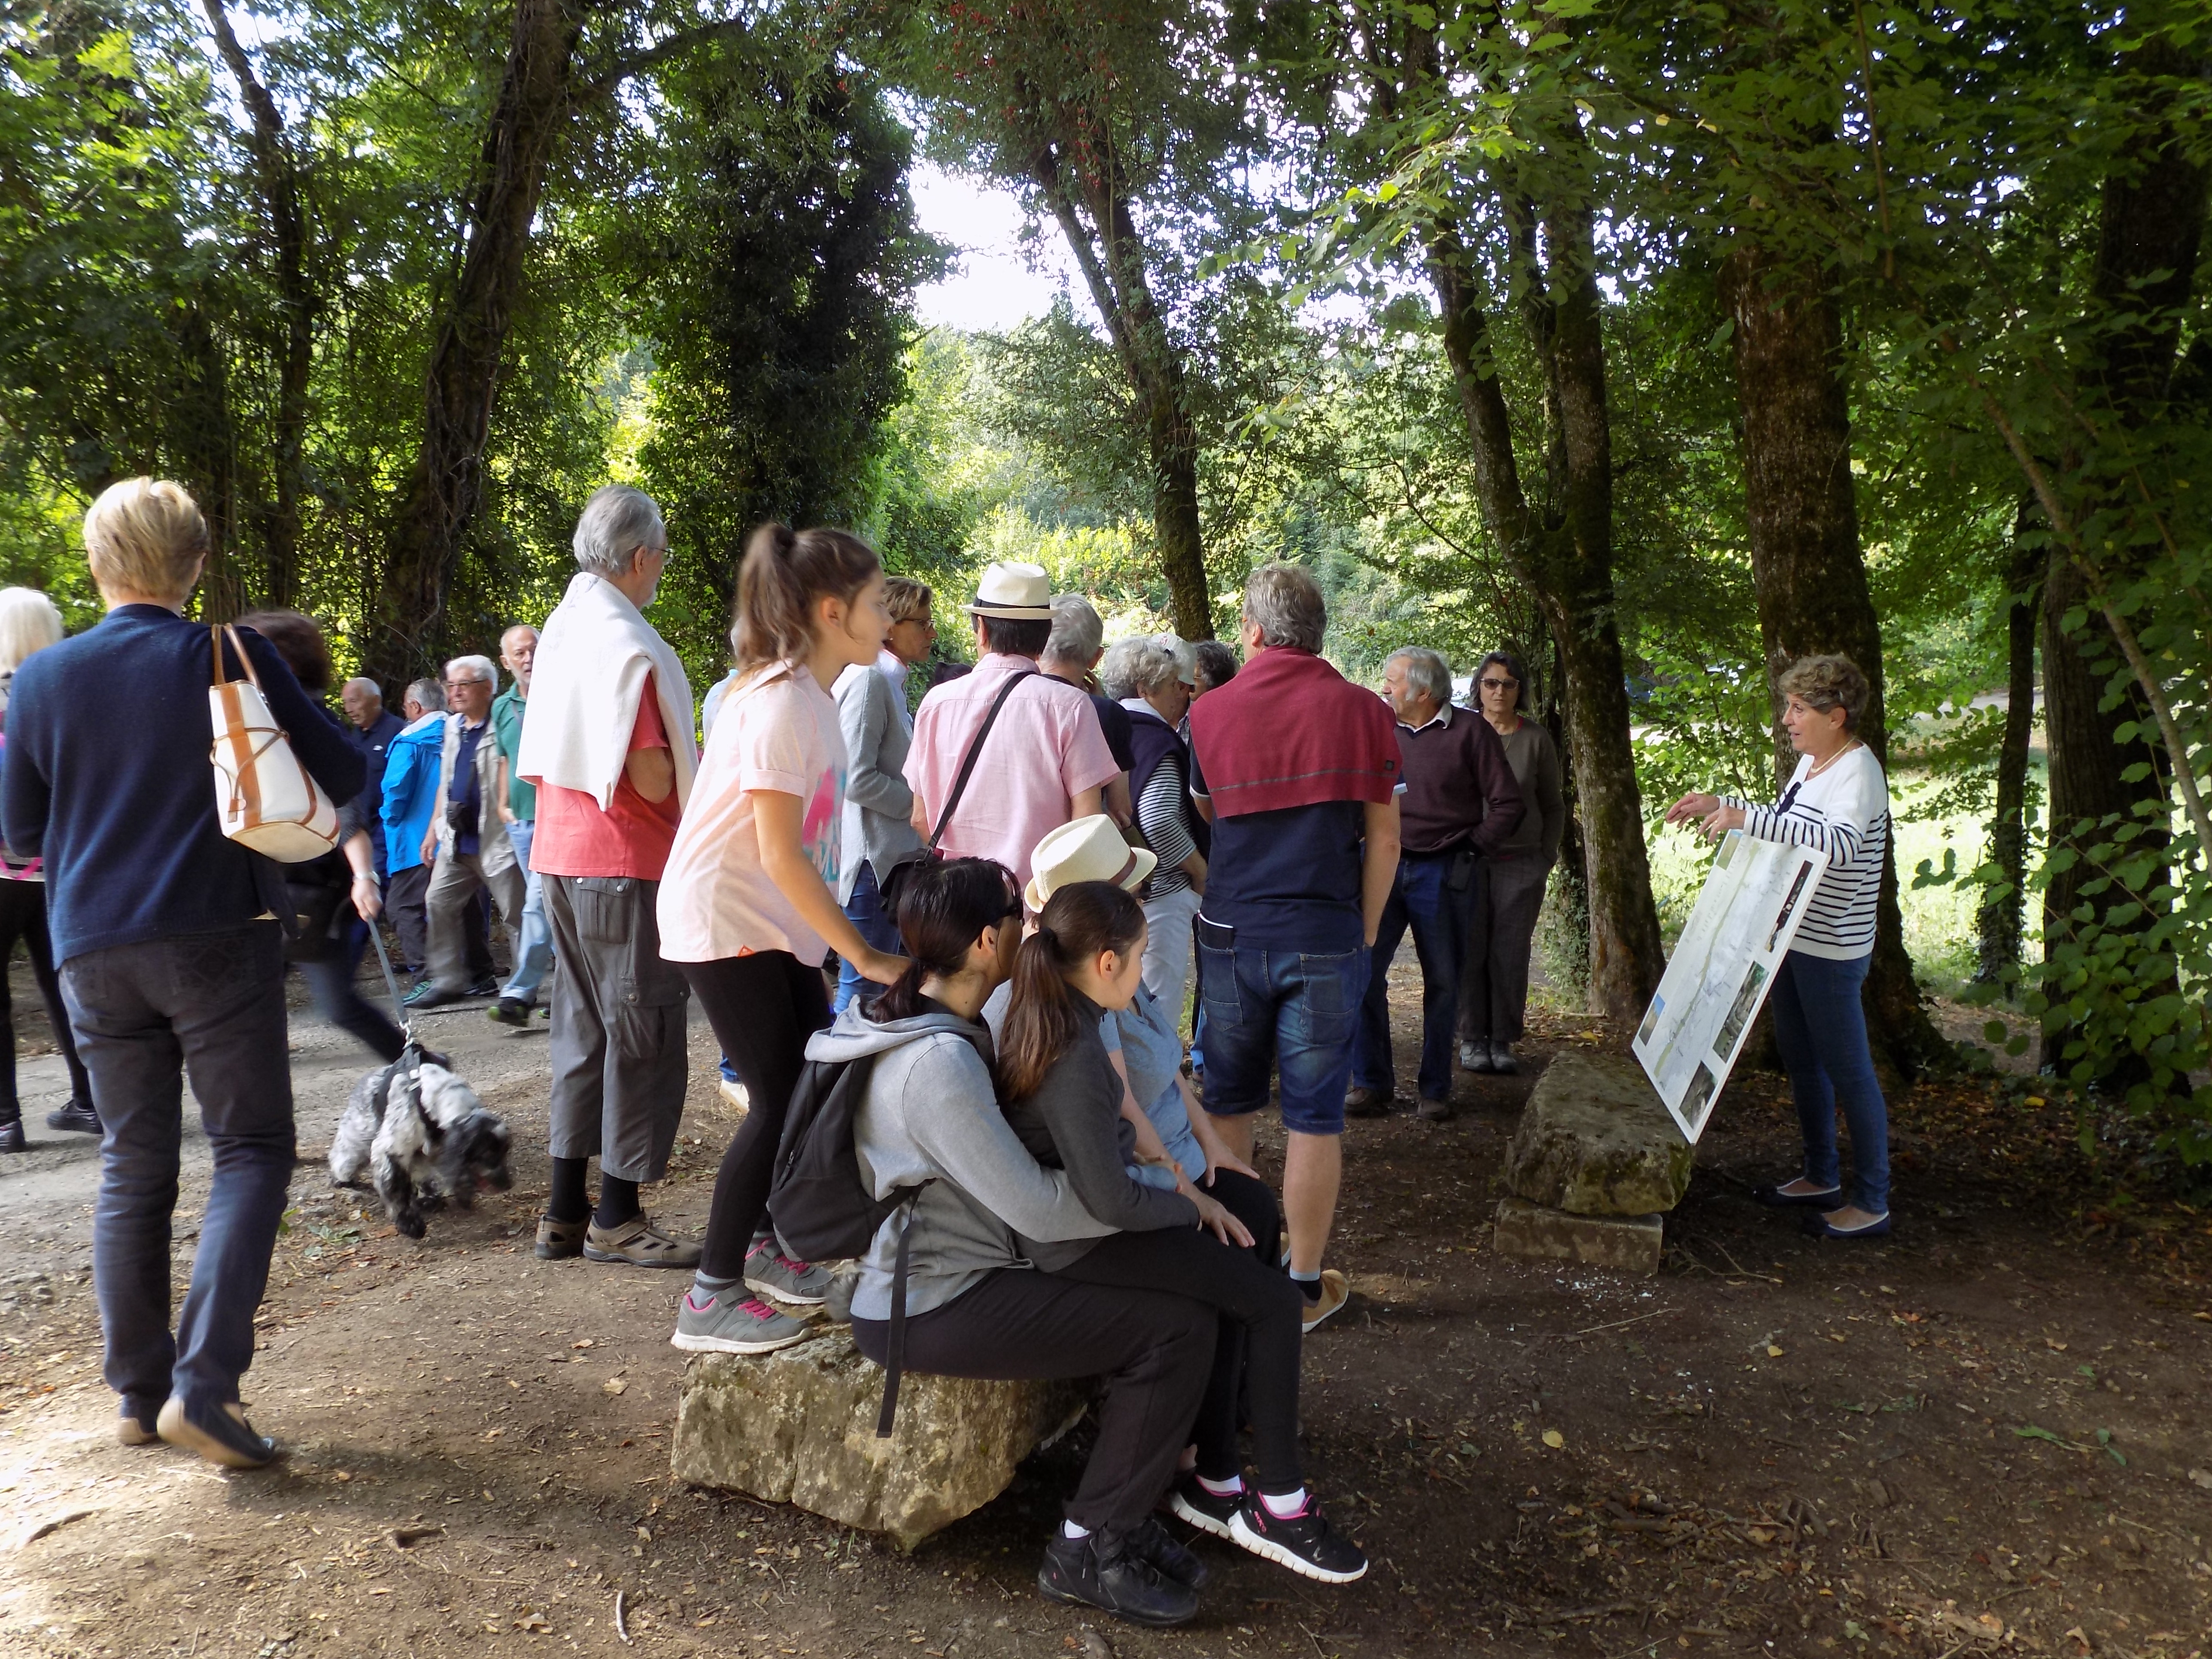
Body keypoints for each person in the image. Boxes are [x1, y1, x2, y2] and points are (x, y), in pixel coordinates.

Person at [1, 478, 364, 1467]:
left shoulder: (38, 681)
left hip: (90, 950)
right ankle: (204, 1390)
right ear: (198, 564)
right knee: (249, 1151)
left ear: (97, 565)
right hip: (215, 935)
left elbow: (22, 834)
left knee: (131, 1163)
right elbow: (347, 771)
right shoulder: (229, 651)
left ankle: (138, 1393)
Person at [820, 856, 1214, 1627]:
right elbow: (1038, 1207)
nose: (1025, 928)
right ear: (984, 942)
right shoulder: (937, 1064)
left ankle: (1121, 1520)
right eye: (1012, 916)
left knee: (1173, 1307)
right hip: (933, 1297)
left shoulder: (953, 1023)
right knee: (1173, 1328)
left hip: (959, 1274)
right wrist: (1153, 1196)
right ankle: (1086, 1544)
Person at [997, 878, 1366, 1587]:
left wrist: (1190, 1192)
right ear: (1106, 962)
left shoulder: (1068, 1010)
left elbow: (1119, 1157)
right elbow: (1108, 1195)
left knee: (1246, 1256)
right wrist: (1192, 1207)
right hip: (1088, 1239)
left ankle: (1217, 1472)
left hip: (1106, 1220)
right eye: (1137, 958)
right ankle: (1280, 1505)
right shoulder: (1072, 1050)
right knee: (1275, 1299)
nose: (1143, 972)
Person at [662, 525, 907, 1354]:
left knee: (801, 1092)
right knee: (774, 1102)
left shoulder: (813, 694)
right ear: (834, 611)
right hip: (726, 921)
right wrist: (865, 953)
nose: (890, 614)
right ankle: (711, 1294)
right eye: (879, 603)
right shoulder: (774, 701)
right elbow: (776, 850)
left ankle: (771, 1249)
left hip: (768, 926)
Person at [1185, 563, 1401, 1333]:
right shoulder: (1366, 711)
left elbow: (1207, 808)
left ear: (1251, 629)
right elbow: (1383, 837)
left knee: (1228, 1102)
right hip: (1324, 931)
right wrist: (1368, 928)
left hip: (1233, 928)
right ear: (1318, 631)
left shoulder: (1208, 712)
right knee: (1314, 1117)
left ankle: (1236, 1270)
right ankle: (1303, 1285)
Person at [516, 483, 699, 1269]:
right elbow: (654, 777)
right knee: (642, 1032)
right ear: (638, 556)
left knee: (581, 1031)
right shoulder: (624, 637)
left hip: (560, 854)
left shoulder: (563, 623)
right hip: (625, 860)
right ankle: (617, 1215)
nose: (660, 566)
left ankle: (564, 1209)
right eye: (659, 553)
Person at [1664, 653, 1893, 1240]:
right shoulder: (1816, 764)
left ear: (1835, 716)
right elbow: (1789, 820)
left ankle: (1872, 1202)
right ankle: (1822, 1176)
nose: (1787, 720)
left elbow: (1838, 844)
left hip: (1832, 950)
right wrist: (1725, 808)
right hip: (1791, 937)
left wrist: (1750, 820)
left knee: (1849, 1072)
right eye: (1788, 707)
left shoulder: (1858, 772)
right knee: (1800, 1057)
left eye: (1798, 709)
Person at [1349, 646, 1523, 1120]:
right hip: (1381, 867)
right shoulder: (1377, 729)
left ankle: (1434, 1090)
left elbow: (1508, 803)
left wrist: (1470, 849)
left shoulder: (1471, 732)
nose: (1384, 687)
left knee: (1444, 981)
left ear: (1423, 692)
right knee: (1363, 973)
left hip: (1443, 872)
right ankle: (1371, 1083)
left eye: (1392, 680)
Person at [235, 610, 402, 1064]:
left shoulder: (304, 722)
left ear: (280, 662)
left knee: (339, 1006)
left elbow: (346, 808)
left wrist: (364, 875)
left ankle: (425, 1071)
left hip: (316, 893)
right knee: (253, 991)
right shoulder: (264, 720)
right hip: (282, 888)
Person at [904, 562, 1118, 893]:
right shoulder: (1070, 706)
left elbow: (920, 818)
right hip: (1036, 907)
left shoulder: (935, 704)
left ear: (983, 630)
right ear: (1044, 637)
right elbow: (1085, 825)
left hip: (957, 907)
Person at [0, 587, 95, 1150]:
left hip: (5, 865)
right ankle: (90, 1100)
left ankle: (6, 1118)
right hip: (61, 863)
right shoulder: (71, 692)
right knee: (62, 986)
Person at [1458, 650, 1565, 1076]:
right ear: (1478, 688)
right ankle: (1471, 1038)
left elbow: (1553, 805)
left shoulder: (1535, 739)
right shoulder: (1463, 731)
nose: (1498, 691)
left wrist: (1546, 856)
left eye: (1507, 683)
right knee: (1470, 948)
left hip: (1521, 863)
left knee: (1509, 951)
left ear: (1519, 690)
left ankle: (1501, 1039)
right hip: (1468, 859)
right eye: (1490, 683)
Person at [831, 574, 933, 1016]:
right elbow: (856, 778)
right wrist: (920, 807)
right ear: (889, 625)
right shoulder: (870, 680)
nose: (932, 634)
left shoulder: (887, 681)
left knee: (877, 991)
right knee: (861, 992)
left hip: (888, 863)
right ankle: (830, 1082)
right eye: (923, 624)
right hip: (872, 865)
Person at [406, 655, 525, 1009]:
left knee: (517, 915)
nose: (454, 692)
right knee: (437, 901)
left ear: (488, 688)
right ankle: (447, 979)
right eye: (450, 685)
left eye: (463, 685)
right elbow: (446, 784)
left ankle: (520, 989)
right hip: (457, 840)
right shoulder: (453, 726)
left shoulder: (503, 724)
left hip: (497, 841)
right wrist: (433, 832)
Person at [1098, 635, 1206, 1016]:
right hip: (1160, 893)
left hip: (1113, 887)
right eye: (1172, 687)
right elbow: (1158, 817)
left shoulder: (1104, 725)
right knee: (1159, 1002)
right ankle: (1162, 1078)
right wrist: (1199, 871)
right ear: (1145, 691)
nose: (1183, 696)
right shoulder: (1152, 739)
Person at [489, 623, 555, 1027]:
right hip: (521, 822)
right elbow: (504, 760)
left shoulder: (561, 695)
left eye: (534, 649)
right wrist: (501, 803)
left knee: (537, 904)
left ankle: (519, 993)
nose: (528, 658)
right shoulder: (502, 706)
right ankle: (570, 989)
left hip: (557, 819)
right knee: (550, 907)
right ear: (506, 661)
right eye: (520, 653)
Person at [380, 677, 453, 981]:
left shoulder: (410, 741)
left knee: (401, 907)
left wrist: (388, 818)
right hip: (456, 835)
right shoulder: (460, 732)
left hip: (414, 840)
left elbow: (396, 788)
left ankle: (427, 975)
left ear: (415, 707)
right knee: (451, 906)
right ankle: (474, 973)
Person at [1040, 593, 1134, 829]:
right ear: (1096, 658)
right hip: (1074, 851)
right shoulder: (1108, 714)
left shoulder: (1007, 698)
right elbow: (1120, 808)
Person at [339, 676, 403, 887]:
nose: (349, 709)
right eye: (345, 703)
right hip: (356, 827)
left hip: (384, 828)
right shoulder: (351, 736)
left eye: (354, 701)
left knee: (374, 883)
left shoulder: (397, 732)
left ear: (375, 700)